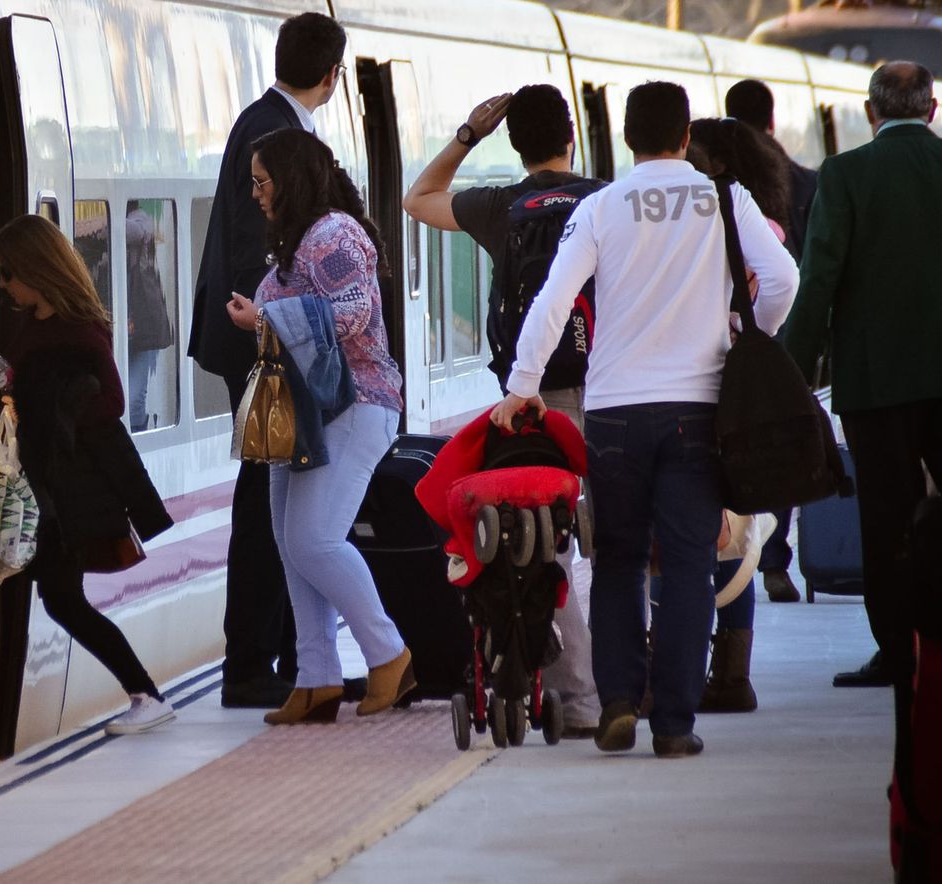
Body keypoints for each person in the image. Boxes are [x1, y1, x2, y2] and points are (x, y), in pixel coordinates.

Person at [492, 82, 798, 759]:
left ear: (626, 139)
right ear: (685, 137)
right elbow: (782, 280)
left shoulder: (600, 207)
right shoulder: (724, 199)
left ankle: (620, 703)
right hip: (697, 408)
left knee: (620, 561)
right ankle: (675, 724)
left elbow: (553, 299)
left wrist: (522, 385)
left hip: (614, 414)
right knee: (689, 565)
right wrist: (749, 341)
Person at [403, 83, 606, 739]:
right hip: (615, 389)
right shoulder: (607, 198)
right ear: (572, 136)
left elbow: (417, 199)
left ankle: (579, 701)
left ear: (515, 145)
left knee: (547, 547)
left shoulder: (502, 206)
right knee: (627, 544)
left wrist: (467, 135)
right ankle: (638, 683)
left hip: (534, 403)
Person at [780, 62, 941, 825]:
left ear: (870, 112)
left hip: (876, 381)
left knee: (887, 516)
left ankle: (895, 647)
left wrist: (786, 368)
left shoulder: (845, 175)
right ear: (933, 109)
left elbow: (821, 277)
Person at [224, 128, 414, 724]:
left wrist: (267, 317)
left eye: (262, 181)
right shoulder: (300, 238)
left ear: (291, 179)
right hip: (310, 413)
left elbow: (355, 311)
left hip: (356, 406)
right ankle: (317, 677)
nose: (256, 193)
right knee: (290, 543)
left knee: (314, 540)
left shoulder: (331, 233)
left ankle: (390, 655)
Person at [187, 11, 348, 709]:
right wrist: (284, 331)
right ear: (331, 77)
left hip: (261, 336)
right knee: (266, 505)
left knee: (279, 499)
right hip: (261, 343)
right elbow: (267, 251)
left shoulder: (266, 121)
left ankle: (283, 654)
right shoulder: (276, 135)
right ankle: (252, 663)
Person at [0, 214, 177, 736]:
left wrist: (51, 403)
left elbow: (112, 402)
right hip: (43, 486)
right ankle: (145, 694)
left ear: (35, 269)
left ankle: (146, 694)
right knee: (51, 596)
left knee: (60, 599)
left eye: (8, 273)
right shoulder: (33, 323)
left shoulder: (75, 330)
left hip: (65, 494)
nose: (4, 285)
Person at [676, 116, 794, 714]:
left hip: (696, 384)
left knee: (684, 524)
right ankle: (731, 673)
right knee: (736, 525)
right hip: (737, 388)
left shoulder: (696, 221)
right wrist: (757, 338)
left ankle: (687, 667)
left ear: (715, 165)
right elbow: (778, 283)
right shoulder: (761, 224)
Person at [725, 78, 820, 604]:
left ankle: (739, 553)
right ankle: (774, 555)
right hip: (783, 338)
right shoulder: (804, 184)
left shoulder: (715, 183)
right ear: (773, 120)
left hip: (728, 337)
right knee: (778, 444)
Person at [124, 204, 172, 432]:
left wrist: (97, 221)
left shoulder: (140, 220)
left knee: (133, 400)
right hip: (123, 325)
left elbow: (133, 231)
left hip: (145, 325)